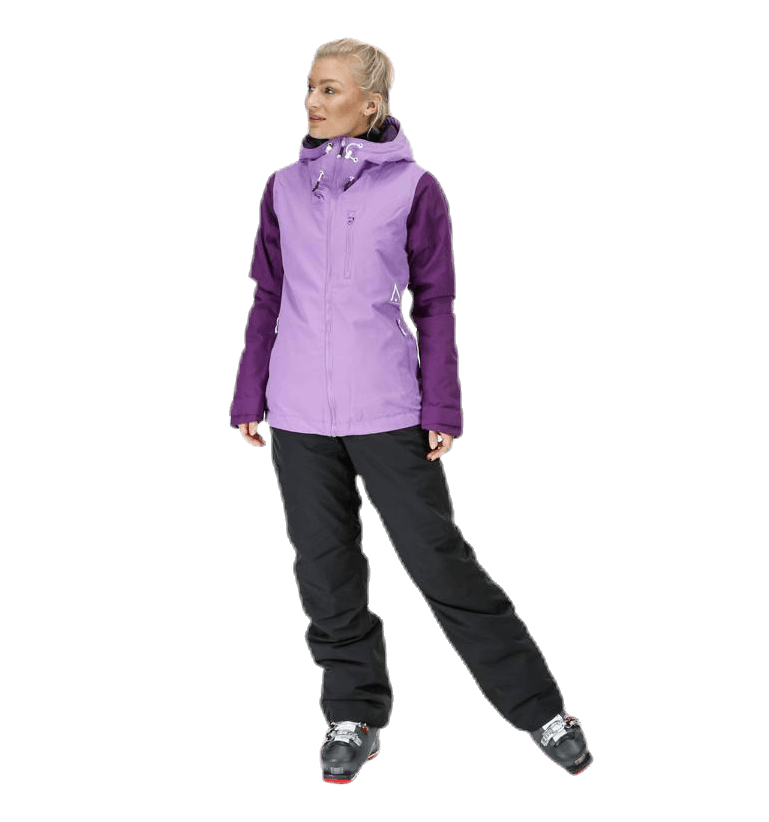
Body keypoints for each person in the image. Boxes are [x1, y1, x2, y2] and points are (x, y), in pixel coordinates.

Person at [229, 38, 592, 783]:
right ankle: (352, 714)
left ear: (372, 104)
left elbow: (435, 301)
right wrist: (248, 390)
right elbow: (267, 296)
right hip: (297, 412)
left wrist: (443, 404)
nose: (312, 101)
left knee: (439, 563)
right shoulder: (282, 189)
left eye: (330, 90)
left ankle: (542, 710)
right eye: (310, 87)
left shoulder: (416, 189)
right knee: (324, 571)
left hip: (387, 408)